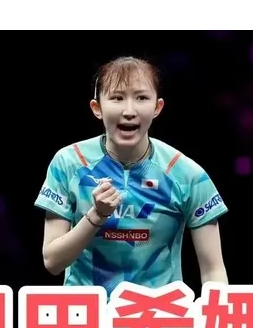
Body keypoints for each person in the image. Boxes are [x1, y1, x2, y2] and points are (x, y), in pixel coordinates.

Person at [34, 56, 229, 300]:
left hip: (157, 316)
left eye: (141, 98)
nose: (129, 111)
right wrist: (96, 216)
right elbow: (52, 261)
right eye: (117, 98)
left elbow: (213, 271)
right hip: (85, 315)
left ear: (157, 107)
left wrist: (218, 314)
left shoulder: (186, 174)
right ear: (97, 108)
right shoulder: (70, 163)